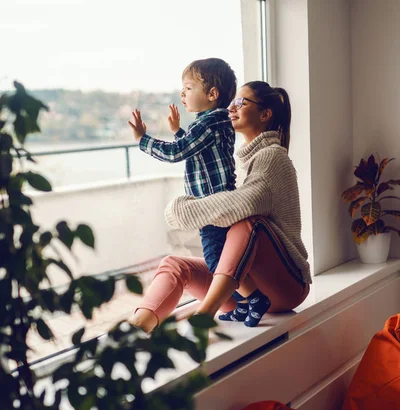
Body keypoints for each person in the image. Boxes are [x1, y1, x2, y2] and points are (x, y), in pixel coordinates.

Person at [129, 81, 311, 334]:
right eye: (233, 102)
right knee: (175, 265)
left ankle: (203, 317)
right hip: (249, 294)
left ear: (265, 114)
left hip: (287, 286)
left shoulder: (272, 156)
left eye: (241, 102)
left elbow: (246, 203)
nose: (231, 108)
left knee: (247, 222)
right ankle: (136, 331)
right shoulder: (246, 160)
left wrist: (182, 209)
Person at [128, 57, 261, 323]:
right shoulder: (217, 122)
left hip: (212, 208)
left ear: (212, 94)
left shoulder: (208, 123)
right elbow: (197, 152)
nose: (182, 93)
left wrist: (143, 140)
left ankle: (254, 297)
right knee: (223, 257)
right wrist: (178, 131)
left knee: (217, 262)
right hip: (219, 204)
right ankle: (245, 302)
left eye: (188, 88)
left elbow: (178, 153)